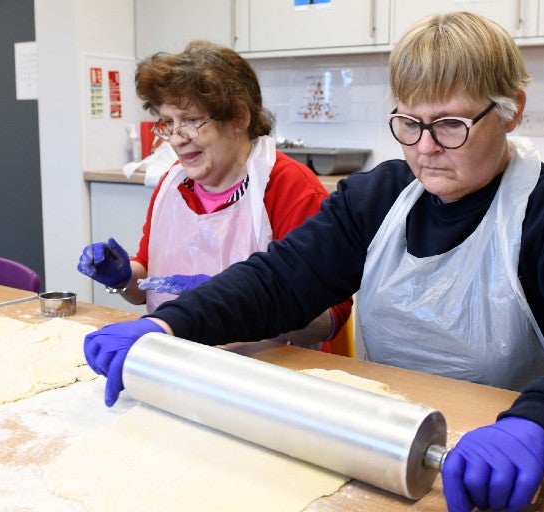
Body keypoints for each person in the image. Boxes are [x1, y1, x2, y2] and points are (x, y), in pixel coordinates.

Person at [84, 12, 544, 512]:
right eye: (409, 123)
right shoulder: (380, 197)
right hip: (385, 448)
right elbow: (280, 278)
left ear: (511, 109)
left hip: (500, 470)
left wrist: (541, 424)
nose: (424, 148)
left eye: (450, 125)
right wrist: (169, 325)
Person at [77, 40, 351, 348]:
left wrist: (241, 303)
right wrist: (124, 277)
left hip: (266, 369)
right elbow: (148, 288)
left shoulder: (289, 188)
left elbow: (331, 319)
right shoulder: (173, 186)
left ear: (239, 117)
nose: (177, 139)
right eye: (169, 123)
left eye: (191, 121)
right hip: (182, 356)